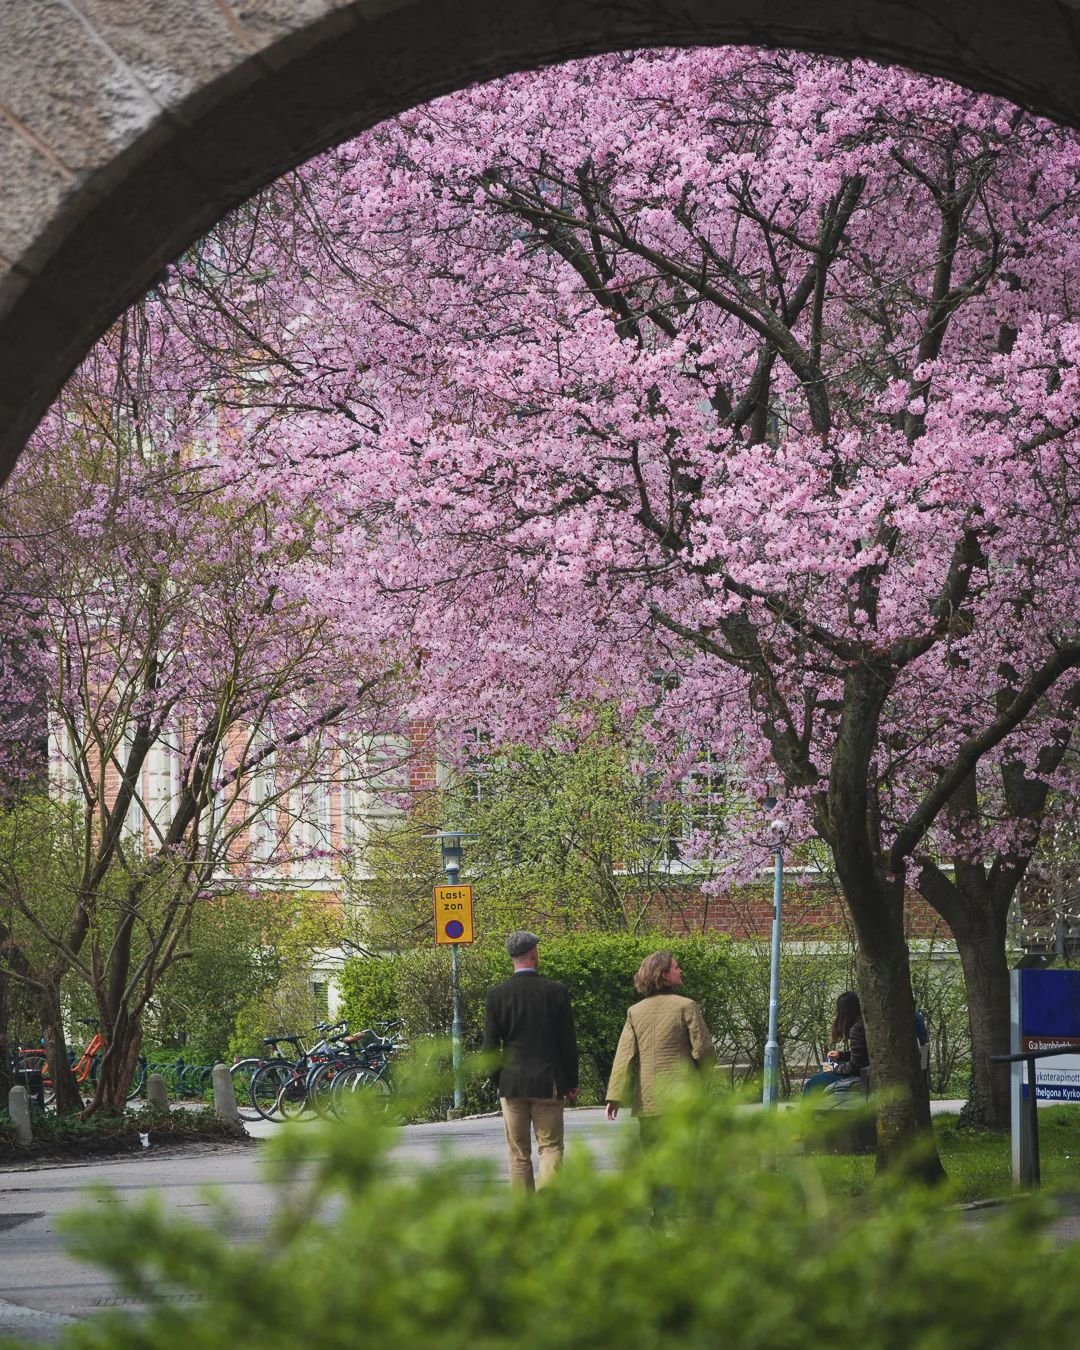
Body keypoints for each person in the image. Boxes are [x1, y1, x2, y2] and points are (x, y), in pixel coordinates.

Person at [482, 930, 578, 1190]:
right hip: (549, 1081)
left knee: (518, 1153)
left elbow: (490, 1046)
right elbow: (567, 1042)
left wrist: (498, 1079)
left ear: (512, 958)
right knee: (550, 1147)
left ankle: (523, 1213)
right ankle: (549, 1208)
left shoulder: (496, 996)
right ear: (534, 953)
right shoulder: (556, 992)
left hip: (512, 1084)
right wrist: (571, 1081)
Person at [604, 951, 713, 1144]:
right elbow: (703, 1049)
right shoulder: (687, 1006)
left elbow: (624, 1057)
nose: (681, 971)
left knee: (653, 1163)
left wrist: (614, 1096)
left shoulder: (635, 1012)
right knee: (684, 1162)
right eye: (676, 967)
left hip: (648, 1102)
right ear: (664, 974)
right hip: (683, 1099)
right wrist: (703, 1074)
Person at [802, 990, 869, 1095]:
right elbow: (862, 1054)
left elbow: (855, 1065)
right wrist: (841, 1055)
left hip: (859, 1073)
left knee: (811, 1084)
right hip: (862, 1068)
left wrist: (835, 1068)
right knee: (829, 1059)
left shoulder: (856, 1029)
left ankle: (807, 1109)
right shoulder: (862, 1023)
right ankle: (824, 1081)